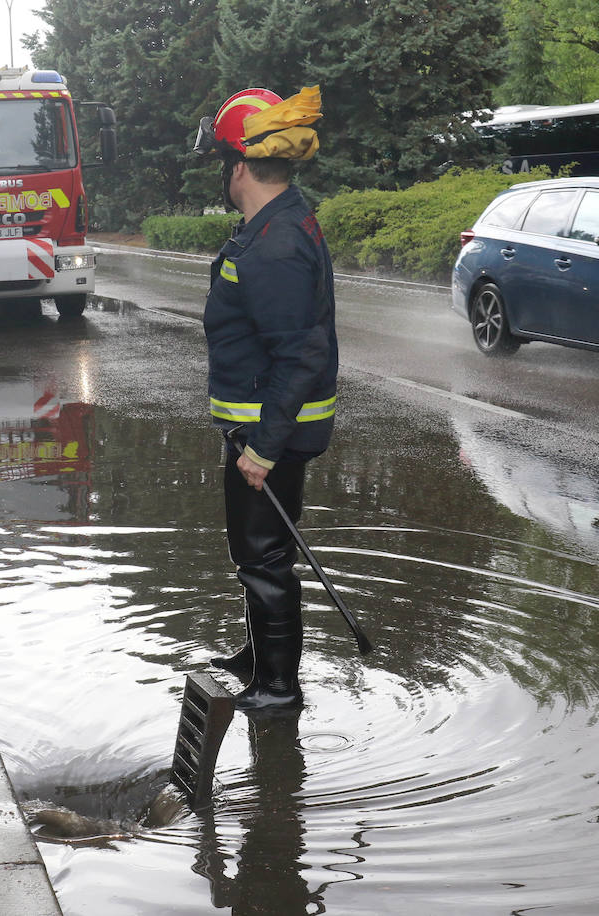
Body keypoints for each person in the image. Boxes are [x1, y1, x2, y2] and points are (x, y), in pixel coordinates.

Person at [193, 87, 338, 711]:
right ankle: (258, 655)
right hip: (260, 429)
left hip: (269, 434)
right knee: (254, 550)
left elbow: (301, 355)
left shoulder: (277, 245)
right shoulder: (273, 226)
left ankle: (278, 687)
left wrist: (263, 449)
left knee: (264, 557)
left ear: (241, 168)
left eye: (224, 164)